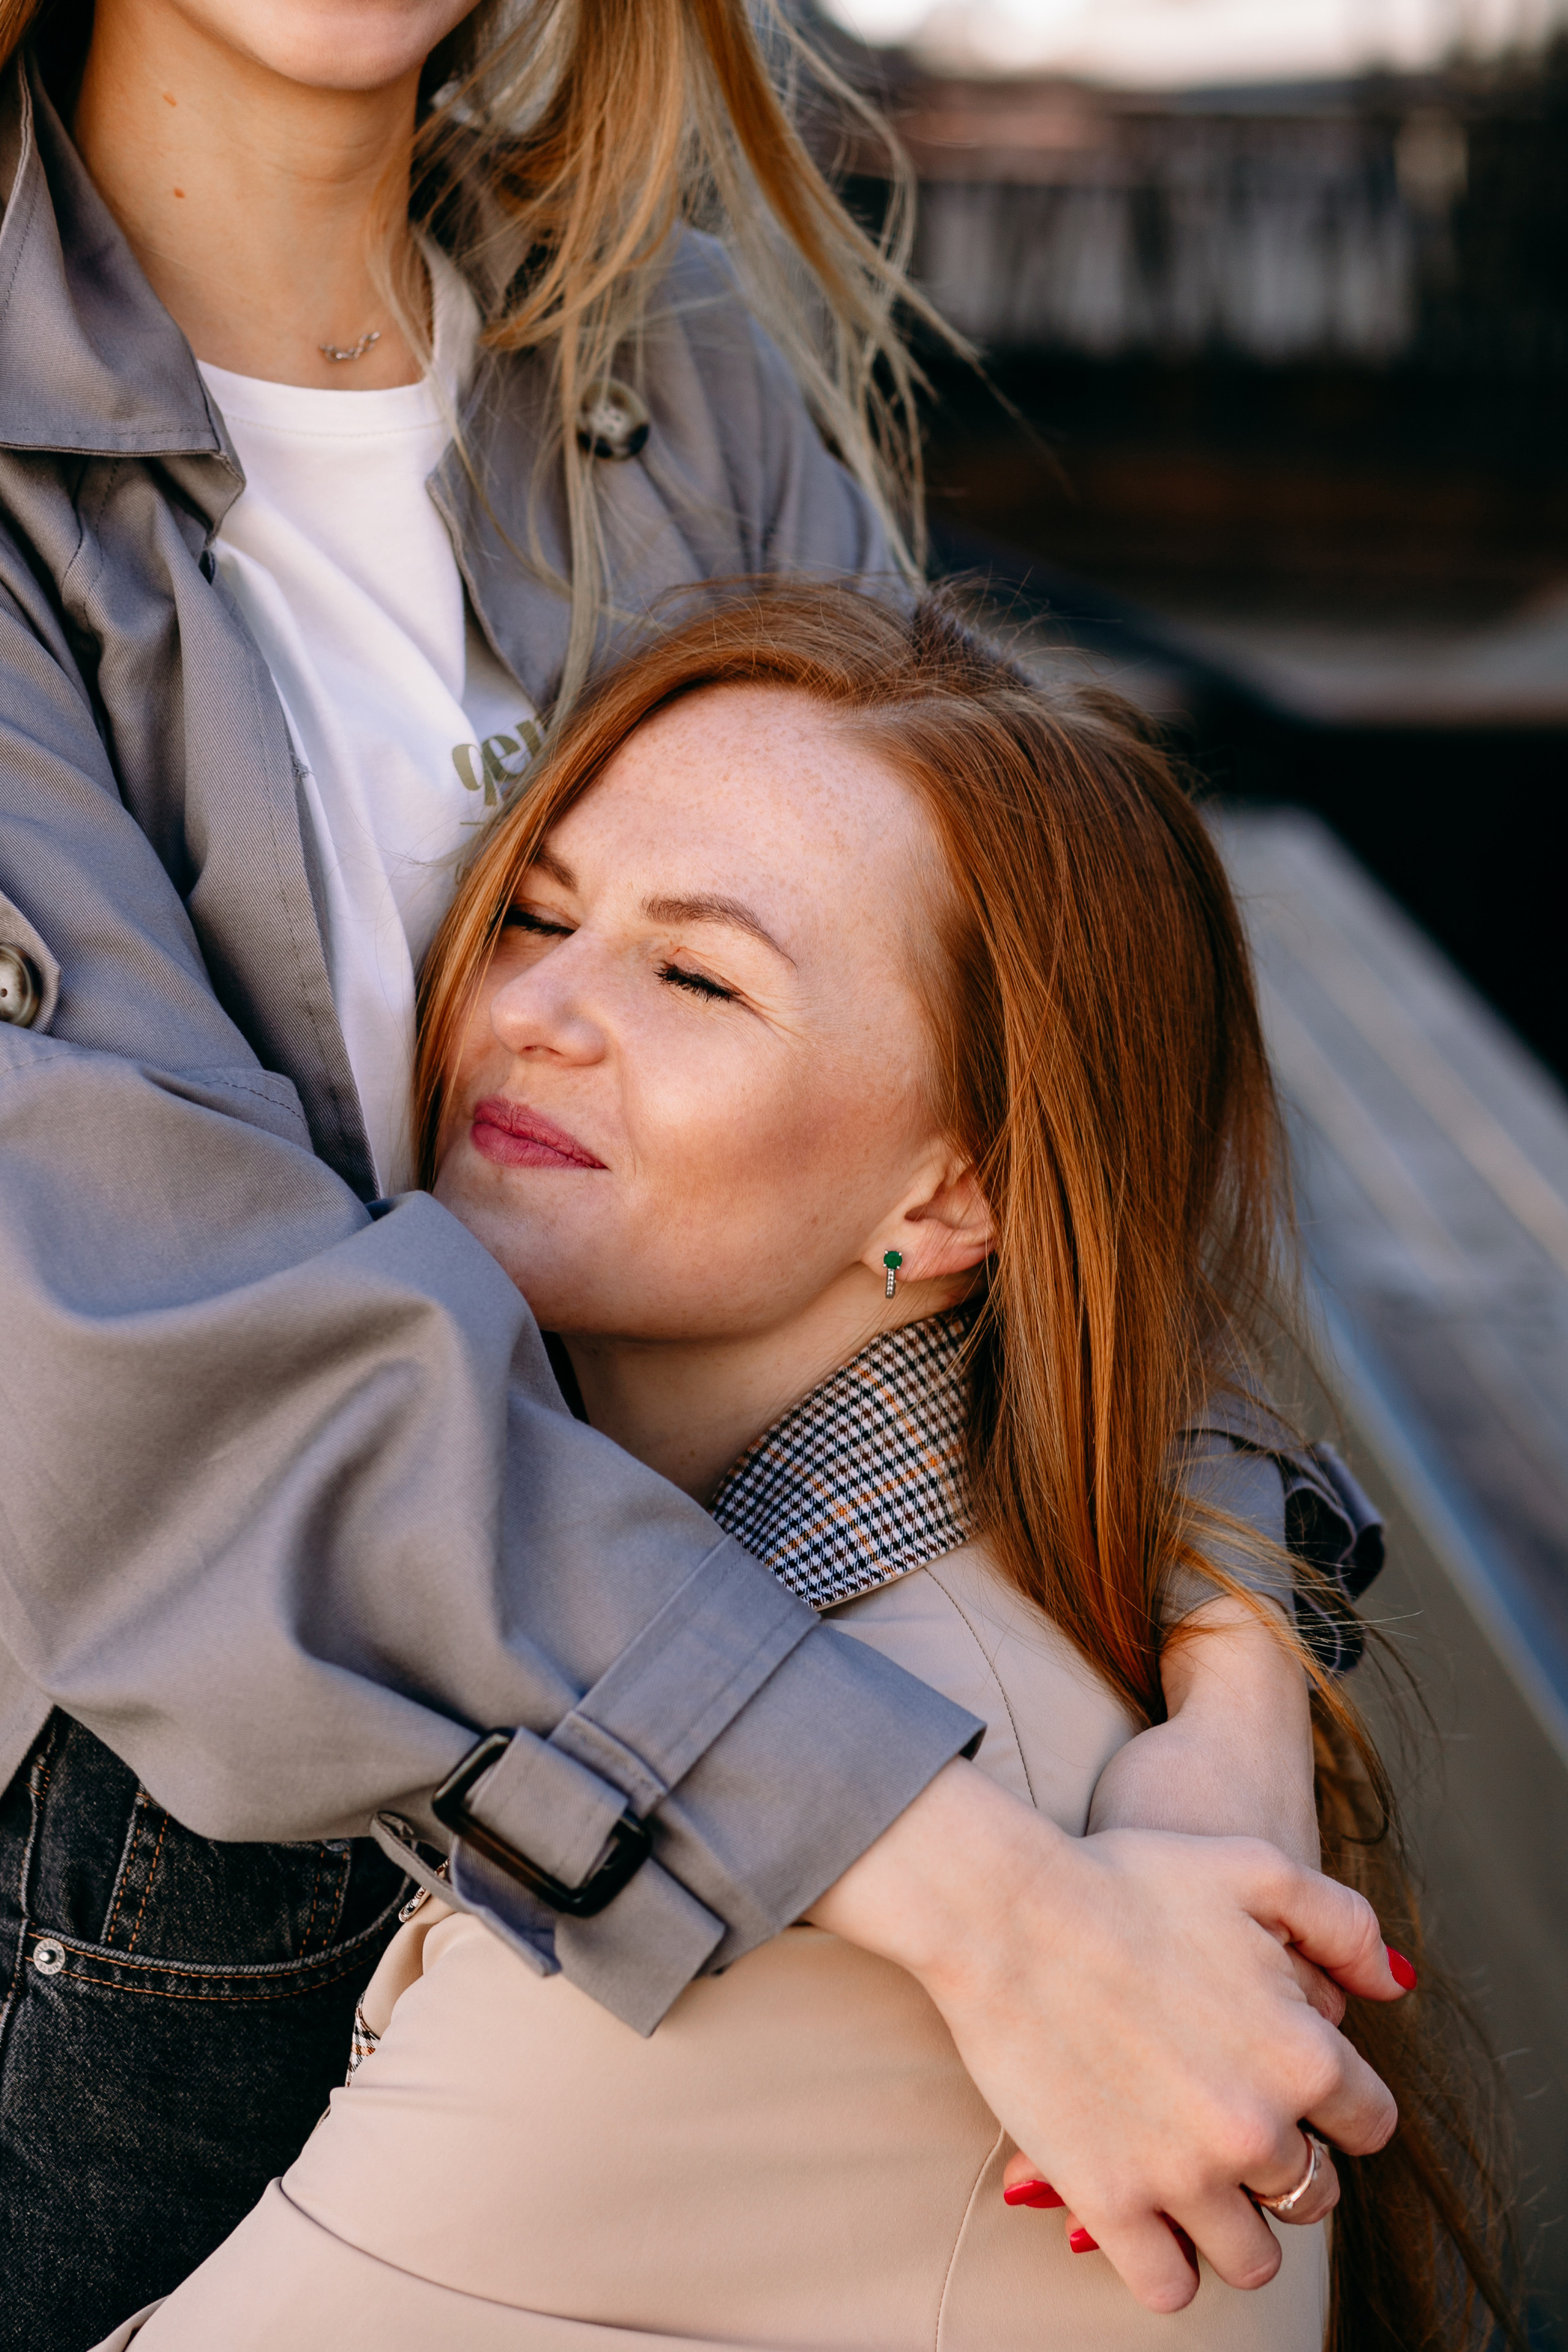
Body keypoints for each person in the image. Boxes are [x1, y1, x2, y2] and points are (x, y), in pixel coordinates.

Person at [0, 3, 1404, 2345]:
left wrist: (1237, 1708)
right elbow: (126, 1336)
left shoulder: (670, 359)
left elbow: (1034, 1058)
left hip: (749, 1716)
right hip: (164, 1857)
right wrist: (980, 1897)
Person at [97, 584, 1427, 2349]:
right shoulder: (992, 1621)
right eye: (538, 915)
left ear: (953, 1190)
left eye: (699, 975)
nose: (538, 1014)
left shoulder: (783, 1894)